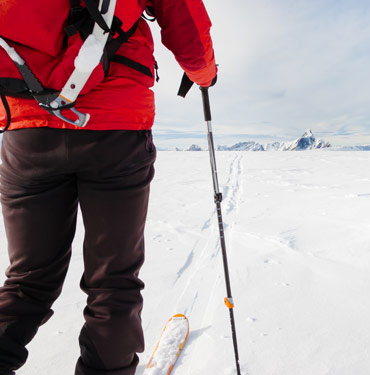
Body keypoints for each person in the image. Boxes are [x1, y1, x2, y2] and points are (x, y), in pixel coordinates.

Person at [0, 0, 217, 374]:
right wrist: (204, 74)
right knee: (113, 285)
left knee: (27, 282)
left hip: (27, 126)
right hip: (116, 129)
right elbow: (185, 21)